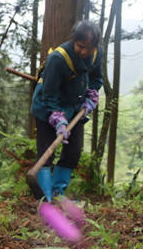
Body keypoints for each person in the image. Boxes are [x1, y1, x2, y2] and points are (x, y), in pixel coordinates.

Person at [27, 20, 103, 201]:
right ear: (74, 40)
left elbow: (96, 78)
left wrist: (90, 96)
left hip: (75, 108)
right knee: (46, 152)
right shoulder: (58, 59)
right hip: (47, 106)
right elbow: (49, 94)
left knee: (73, 152)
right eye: (80, 46)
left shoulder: (96, 54)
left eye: (89, 47)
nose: (84, 52)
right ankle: (45, 198)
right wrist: (57, 117)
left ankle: (57, 192)